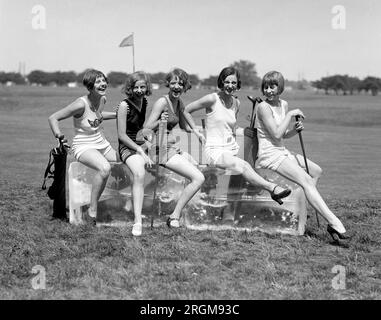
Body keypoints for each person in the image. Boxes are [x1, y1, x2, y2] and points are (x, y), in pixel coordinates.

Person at [183, 66, 292, 223]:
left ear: (237, 84)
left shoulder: (236, 102)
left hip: (231, 148)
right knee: (242, 166)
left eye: (233, 83)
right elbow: (187, 110)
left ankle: (230, 211)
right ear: (221, 82)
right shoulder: (212, 99)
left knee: (247, 172)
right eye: (227, 82)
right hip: (215, 150)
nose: (230, 86)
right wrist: (196, 130)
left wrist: (248, 131)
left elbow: (233, 129)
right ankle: (272, 189)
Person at [254, 70, 349, 242]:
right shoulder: (263, 107)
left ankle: (302, 208)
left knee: (316, 171)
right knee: (305, 180)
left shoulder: (283, 104)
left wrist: (294, 131)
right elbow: (275, 135)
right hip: (269, 155)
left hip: (281, 151)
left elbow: (281, 135)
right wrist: (290, 116)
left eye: (272, 86)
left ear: (280, 87)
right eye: (266, 87)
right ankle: (334, 223)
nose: (268, 90)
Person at [48, 69, 118, 225]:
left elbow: (98, 115)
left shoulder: (102, 99)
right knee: (105, 168)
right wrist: (59, 137)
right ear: (90, 86)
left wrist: (116, 114)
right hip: (84, 147)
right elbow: (53, 117)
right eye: (98, 81)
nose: (103, 83)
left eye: (103, 80)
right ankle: (92, 211)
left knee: (127, 159)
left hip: (103, 144)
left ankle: (121, 201)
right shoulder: (81, 104)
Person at [143, 68, 205, 228]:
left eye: (181, 83)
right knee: (198, 178)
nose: (177, 86)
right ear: (168, 84)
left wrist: (197, 132)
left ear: (185, 86)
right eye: (174, 83)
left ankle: (183, 212)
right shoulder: (162, 102)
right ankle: (174, 216)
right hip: (159, 149)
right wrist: (160, 121)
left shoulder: (179, 103)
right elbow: (146, 128)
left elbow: (185, 125)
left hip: (171, 146)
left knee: (197, 166)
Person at [116, 71, 154, 236]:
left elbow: (140, 128)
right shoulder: (124, 105)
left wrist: (148, 142)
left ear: (147, 87)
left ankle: (133, 203)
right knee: (139, 172)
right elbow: (122, 135)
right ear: (130, 88)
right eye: (136, 87)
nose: (139, 90)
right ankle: (138, 221)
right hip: (127, 146)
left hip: (140, 143)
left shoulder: (144, 101)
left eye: (142, 87)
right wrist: (140, 151)